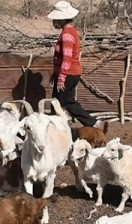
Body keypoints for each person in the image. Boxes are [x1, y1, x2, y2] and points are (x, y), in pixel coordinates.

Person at [46, 1, 103, 129]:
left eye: (56, 19)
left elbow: (67, 58)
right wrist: (56, 73)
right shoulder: (70, 32)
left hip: (69, 73)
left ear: (62, 19)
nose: (55, 21)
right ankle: (55, 127)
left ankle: (92, 123)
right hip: (70, 72)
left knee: (66, 101)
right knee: (56, 102)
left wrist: (61, 77)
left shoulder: (67, 35)